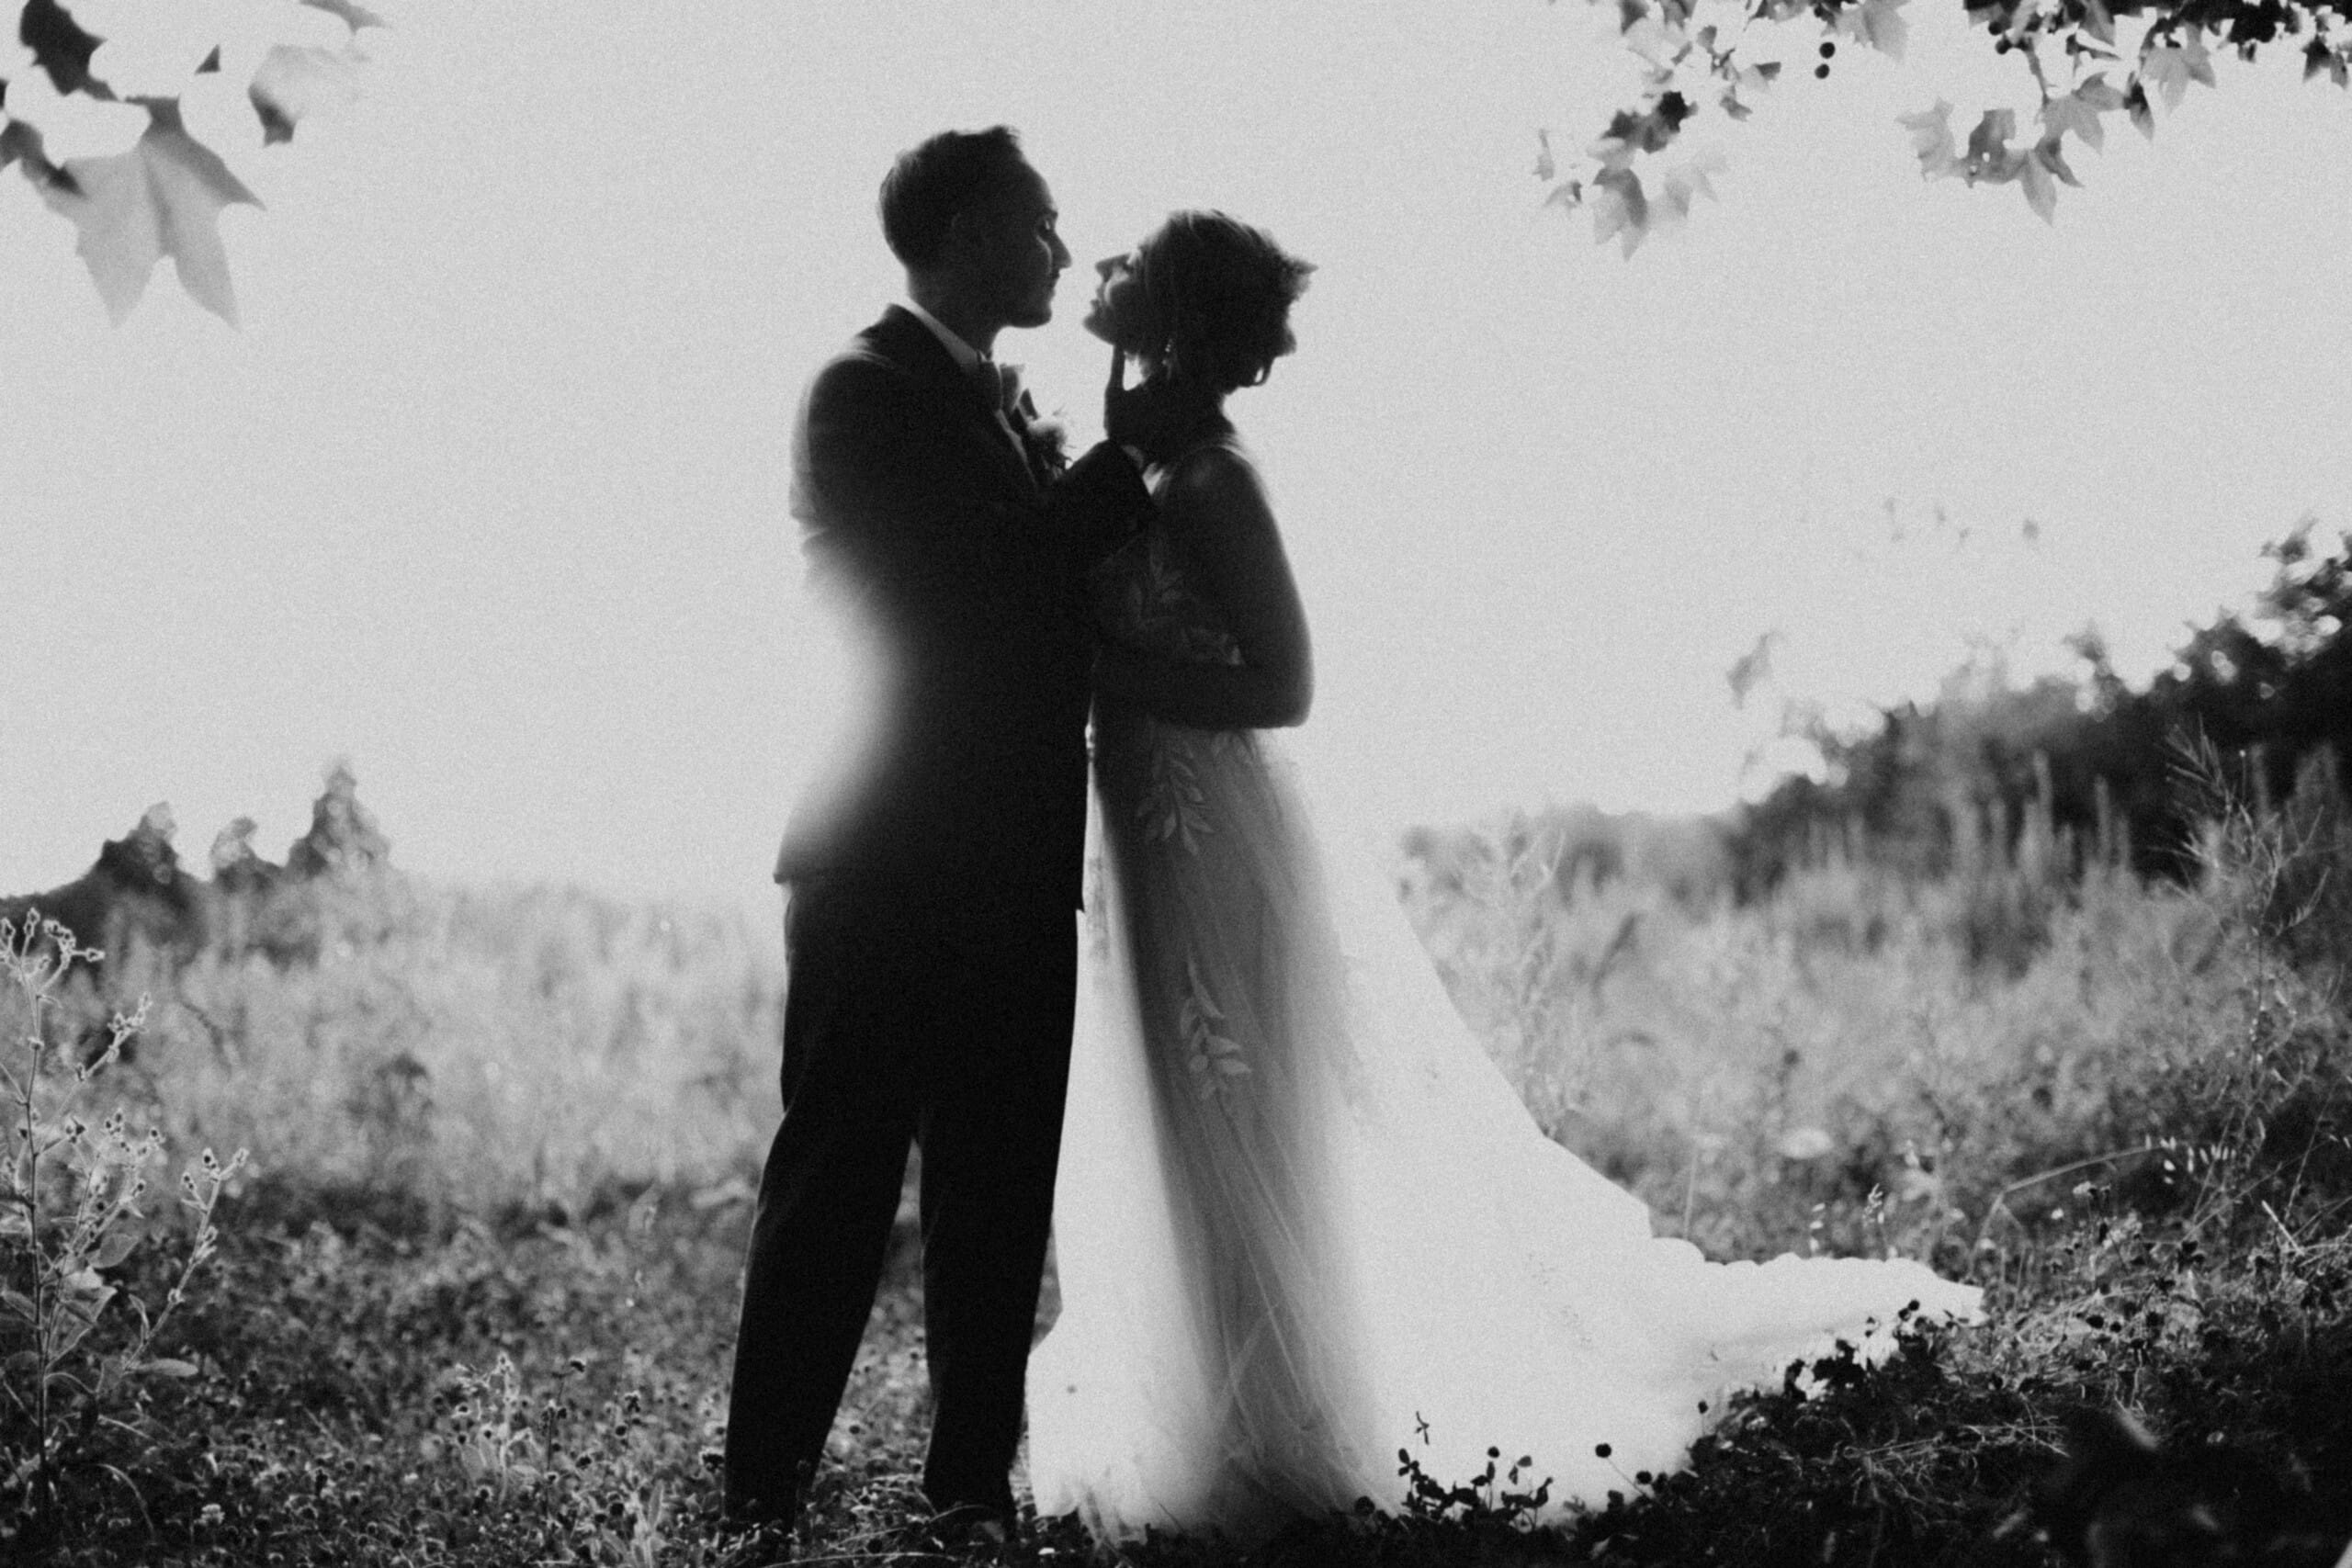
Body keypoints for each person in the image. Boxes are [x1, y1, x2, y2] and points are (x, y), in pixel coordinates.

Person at [1023, 210, 1986, 1545]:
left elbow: (1283, 686)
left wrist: (1090, 676)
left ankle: (1285, 1419)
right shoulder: (1134, 462)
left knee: (1239, 1121)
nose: (1103, 265)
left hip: (1215, 840)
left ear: (1175, 315)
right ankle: (1222, 1403)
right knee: (1181, 1128)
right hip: (1138, 837)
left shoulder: (1211, 486)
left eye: (1132, 260)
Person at [721, 125, 1162, 1545]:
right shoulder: (863, 389)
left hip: (1018, 859)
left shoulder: (1004, 406)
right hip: (890, 855)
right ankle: (761, 1495)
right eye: (1041, 219)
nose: (1058, 244)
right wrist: (1129, 450)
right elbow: (986, 585)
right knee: (840, 1182)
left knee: (997, 1193)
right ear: (968, 228)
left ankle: (967, 1491)